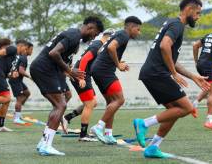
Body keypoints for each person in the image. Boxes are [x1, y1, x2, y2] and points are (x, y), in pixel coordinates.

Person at [133, 0, 210, 158]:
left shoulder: (172, 23)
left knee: (175, 111)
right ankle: (144, 123)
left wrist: (193, 77)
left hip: (152, 72)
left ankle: (153, 148)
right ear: (189, 9)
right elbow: (164, 46)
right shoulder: (177, 25)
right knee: (187, 108)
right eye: (197, 13)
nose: (198, 16)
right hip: (156, 73)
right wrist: (173, 74)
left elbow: (171, 59)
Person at [30, 16, 104, 156]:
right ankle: (46, 144)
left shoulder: (75, 39)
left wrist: (69, 72)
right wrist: (70, 71)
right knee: (61, 105)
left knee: (60, 104)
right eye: (95, 34)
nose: (94, 37)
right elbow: (53, 53)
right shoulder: (74, 35)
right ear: (90, 27)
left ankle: (43, 143)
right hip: (44, 69)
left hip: (47, 70)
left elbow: (62, 59)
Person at [90, 16, 141, 145]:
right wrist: (118, 64)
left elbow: (105, 51)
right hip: (104, 71)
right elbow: (111, 47)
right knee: (119, 100)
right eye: (138, 29)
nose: (139, 32)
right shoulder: (124, 34)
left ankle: (108, 134)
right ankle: (98, 127)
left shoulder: (119, 34)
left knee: (111, 102)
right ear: (131, 27)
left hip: (98, 69)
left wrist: (117, 62)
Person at [9, 41, 34, 124]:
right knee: (19, 99)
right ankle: (16, 118)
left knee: (27, 93)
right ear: (26, 49)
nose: (32, 51)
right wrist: (30, 77)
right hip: (15, 80)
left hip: (17, 80)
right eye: (31, 49)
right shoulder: (23, 58)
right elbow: (21, 71)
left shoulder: (19, 57)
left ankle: (17, 112)